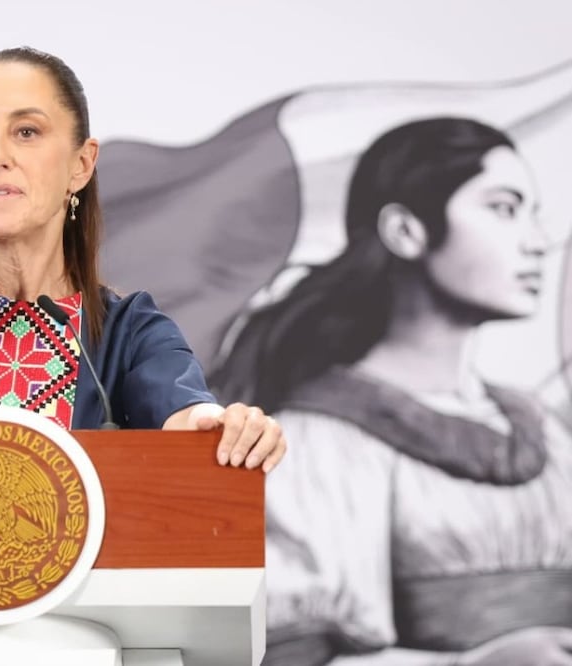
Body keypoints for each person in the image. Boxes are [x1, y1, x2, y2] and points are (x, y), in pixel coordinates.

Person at [0, 46, 286, 473]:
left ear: (80, 165)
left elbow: (186, 417)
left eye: (26, 131)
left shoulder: (128, 333)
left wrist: (227, 427)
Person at [207, 117, 572, 665]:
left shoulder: (545, 428)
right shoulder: (319, 442)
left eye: (533, 213)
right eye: (503, 208)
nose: (539, 242)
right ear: (406, 231)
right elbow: (293, 654)